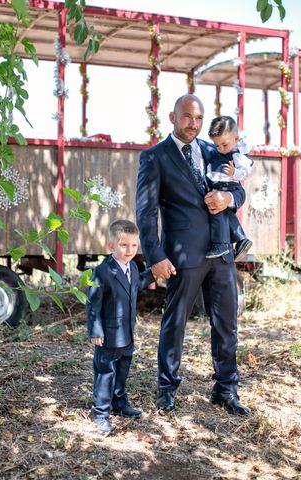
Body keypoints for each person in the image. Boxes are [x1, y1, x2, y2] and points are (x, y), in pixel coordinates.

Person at [135, 94, 251, 416]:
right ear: (172, 117)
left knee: (226, 323)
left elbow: (238, 187)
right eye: (187, 117)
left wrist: (227, 199)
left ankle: (226, 390)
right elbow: (146, 213)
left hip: (222, 252)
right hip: (182, 256)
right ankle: (167, 389)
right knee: (175, 323)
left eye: (198, 118)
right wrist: (155, 256)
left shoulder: (215, 150)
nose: (194, 124)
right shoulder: (154, 157)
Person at [86, 219, 156, 434]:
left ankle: (119, 402)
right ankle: (100, 412)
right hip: (107, 334)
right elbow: (93, 303)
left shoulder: (133, 267)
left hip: (127, 333)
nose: (129, 250)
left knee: (123, 368)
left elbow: (137, 284)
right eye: (124, 245)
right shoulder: (102, 271)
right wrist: (95, 330)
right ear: (112, 246)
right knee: (105, 371)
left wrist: (154, 272)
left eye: (134, 245)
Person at [206, 115, 254, 261]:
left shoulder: (237, 155)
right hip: (220, 184)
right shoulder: (218, 152)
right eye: (217, 145)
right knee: (227, 213)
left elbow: (246, 171)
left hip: (228, 185)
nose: (221, 149)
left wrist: (235, 173)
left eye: (224, 145)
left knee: (217, 210)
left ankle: (220, 244)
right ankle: (241, 238)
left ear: (236, 139)